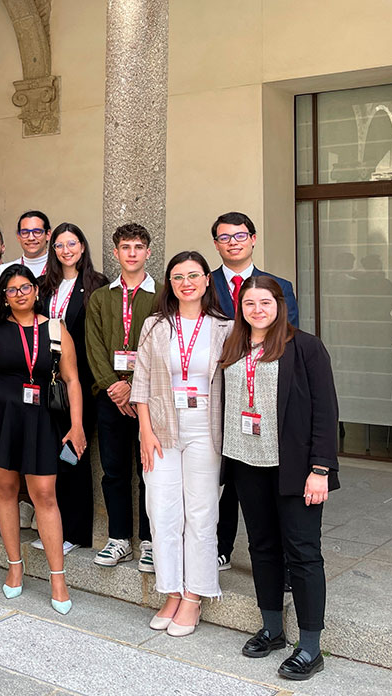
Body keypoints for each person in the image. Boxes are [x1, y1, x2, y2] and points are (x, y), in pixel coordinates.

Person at [218, 276, 339, 681]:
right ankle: (271, 628)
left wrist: (320, 469)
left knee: (303, 553)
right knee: (262, 547)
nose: (257, 310)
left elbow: (325, 412)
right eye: (249, 303)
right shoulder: (233, 346)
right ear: (241, 307)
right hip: (246, 463)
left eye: (265, 302)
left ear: (280, 304)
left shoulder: (304, 347)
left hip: (295, 469)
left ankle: (309, 646)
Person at [0, 264, 86, 614]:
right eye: (11, 289)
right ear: (4, 295)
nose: (19, 294)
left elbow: (72, 380)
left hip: (41, 420)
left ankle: (57, 577)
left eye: (25, 287)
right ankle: (15, 567)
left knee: (45, 494)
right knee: (4, 490)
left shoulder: (55, 328)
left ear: (36, 290)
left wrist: (76, 426)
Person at [131, 251, 233, 637]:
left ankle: (195, 593)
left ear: (207, 280)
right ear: (169, 284)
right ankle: (171, 589)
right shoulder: (156, 325)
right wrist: (144, 429)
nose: (186, 282)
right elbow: (141, 379)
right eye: (177, 276)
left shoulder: (225, 326)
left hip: (205, 426)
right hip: (161, 424)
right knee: (161, 509)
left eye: (193, 275)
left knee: (202, 511)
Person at [209, 211, 299, 570]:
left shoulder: (278, 286)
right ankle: (221, 545)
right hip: (221, 390)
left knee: (269, 475)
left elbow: (287, 337)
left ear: (253, 238)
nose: (233, 242)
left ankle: (283, 555)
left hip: (265, 392)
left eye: (240, 235)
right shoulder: (204, 283)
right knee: (229, 472)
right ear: (216, 243)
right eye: (225, 237)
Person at [85, 223, 157, 572]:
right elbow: (94, 346)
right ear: (115, 253)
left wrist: (134, 386)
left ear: (147, 252)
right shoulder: (101, 297)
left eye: (138, 247)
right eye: (125, 247)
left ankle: (149, 541)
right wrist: (114, 386)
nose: (132, 253)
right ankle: (118, 539)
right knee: (113, 470)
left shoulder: (161, 297)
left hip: (148, 399)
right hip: (109, 397)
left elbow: (160, 348)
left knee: (149, 469)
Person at [36, 223, 107, 554]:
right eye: (60, 245)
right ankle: (52, 526)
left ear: (82, 247)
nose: (66, 250)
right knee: (48, 453)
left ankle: (75, 532)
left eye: (72, 244)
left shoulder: (96, 285)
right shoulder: (43, 286)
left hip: (80, 379)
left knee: (73, 452)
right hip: (44, 380)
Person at [0, 210, 51, 306]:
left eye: (37, 232)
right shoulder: (3, 271)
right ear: (18, 236)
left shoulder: (60, 269)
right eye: (25, 232)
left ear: (48, 234)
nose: (31, 238)